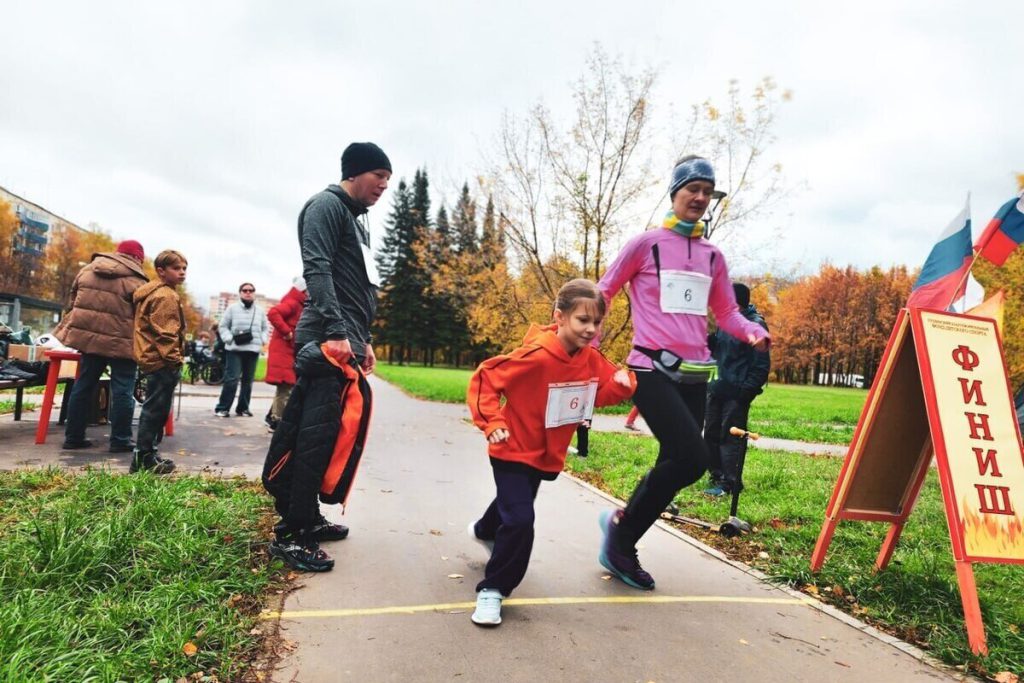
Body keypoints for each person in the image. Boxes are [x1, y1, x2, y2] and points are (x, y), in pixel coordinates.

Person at [595, 155, 770, 590]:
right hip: (650, 368)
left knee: (672, 462)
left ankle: (621, 531)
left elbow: (726, 312)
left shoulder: (713, 256)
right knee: (693, 459)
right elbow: (604, 290)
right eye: (693, 188)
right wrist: (590, 344)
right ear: (675, 192)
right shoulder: (645, 244)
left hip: (695, 375)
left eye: (707, 192)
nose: (700, 197)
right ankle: (621, 536)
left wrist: (752, 331)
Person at [466, 279, 636, 626]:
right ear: (559, 316)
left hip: (546, 455)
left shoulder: (591, 359)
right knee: (520, 519)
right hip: (510, 448)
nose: (591, 329)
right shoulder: (535, 355)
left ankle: (485, 529)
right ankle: (493, 589)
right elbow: (485, 378)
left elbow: (596, 396)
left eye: (596, 322)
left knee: (513, 507)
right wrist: (492, 422)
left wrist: (621, 387)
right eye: (582, 320)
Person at [261, 141, 392, 572]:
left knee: (326, 436)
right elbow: (316, 269)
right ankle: (292, 534)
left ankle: (309, 516)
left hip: (345, 339)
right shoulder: (325, 206)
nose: (384, 186)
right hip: (324, 340)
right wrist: (336, 332)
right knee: (312, 440)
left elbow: (359, 288)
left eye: (388, 180)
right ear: (355, 172)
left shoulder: (356, 221)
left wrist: (363, 338)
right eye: (379, 176)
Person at [54, 240, 148, 452]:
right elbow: (142, 316)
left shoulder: (87, 271)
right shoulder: (137, 281)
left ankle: (73, 437)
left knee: (83, 386)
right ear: (136, 258)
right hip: (122, 343)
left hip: (89, 341)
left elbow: (73, 303)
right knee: (123, 390)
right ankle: (120, 440)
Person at [704, 282, 771, 497]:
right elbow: (721, 351)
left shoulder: (755, 325)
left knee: (730, 438)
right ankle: (716, 475)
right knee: (711, 433)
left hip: (736, 393)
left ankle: (730, 483)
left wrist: (745, 393)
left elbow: (761, 366)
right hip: (716, 388)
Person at [131, 249, 188, 474]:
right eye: (176, 268)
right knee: (155, 410)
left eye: (184, 268)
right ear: (161, 271)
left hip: (152, 358)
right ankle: (143, 458)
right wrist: (175, 360)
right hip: (161, 360)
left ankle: (148, 454)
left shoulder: (154, 292)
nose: (182, 272)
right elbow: (166, 334)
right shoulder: (165, 296)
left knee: (155, 408)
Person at [215, 283, 269, 417]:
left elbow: (265, 328)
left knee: (248, 381)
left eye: (251, 290)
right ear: (240, 293)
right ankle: (222, 408)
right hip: (235, 349)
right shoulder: (232, 308)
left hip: (253, 350)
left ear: (254, 293)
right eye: (245, 290)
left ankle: (243, 408)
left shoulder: (260, 311)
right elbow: (223, 326)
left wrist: (262, 339)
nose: (248, 292)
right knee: (231, 379)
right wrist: (229, 339)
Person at [263, 277, 308, 431]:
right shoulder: (293, 303)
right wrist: (287, 332)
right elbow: (273, 313)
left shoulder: (299, 303)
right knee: (286, 386)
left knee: (287, 386)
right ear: (304, 290)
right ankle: (277, 421)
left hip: (287, 351)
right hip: (284, 351)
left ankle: (272, 417)